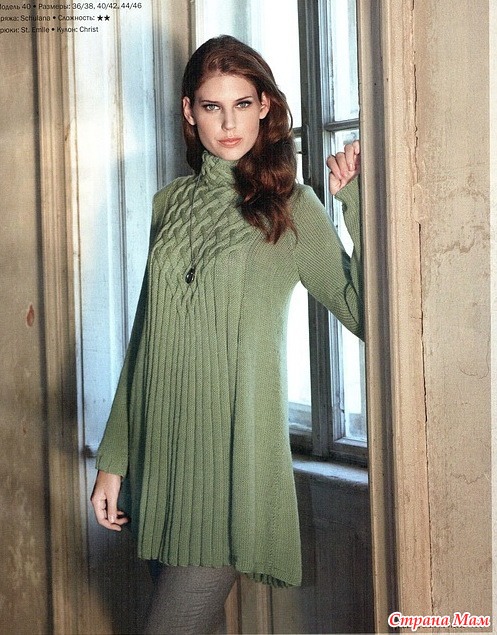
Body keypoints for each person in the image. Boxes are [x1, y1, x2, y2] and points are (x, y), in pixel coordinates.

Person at [91, 34, 362, 634]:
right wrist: (113, 461)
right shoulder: (170, 204)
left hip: (230, 470)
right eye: (213, 107)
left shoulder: (292, 207)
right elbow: (145, 340)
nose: (229, 123)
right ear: (189, 112)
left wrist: (357, 208)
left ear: (265, 106)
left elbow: (363, 312)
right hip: (160, 463)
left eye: (242, 104)